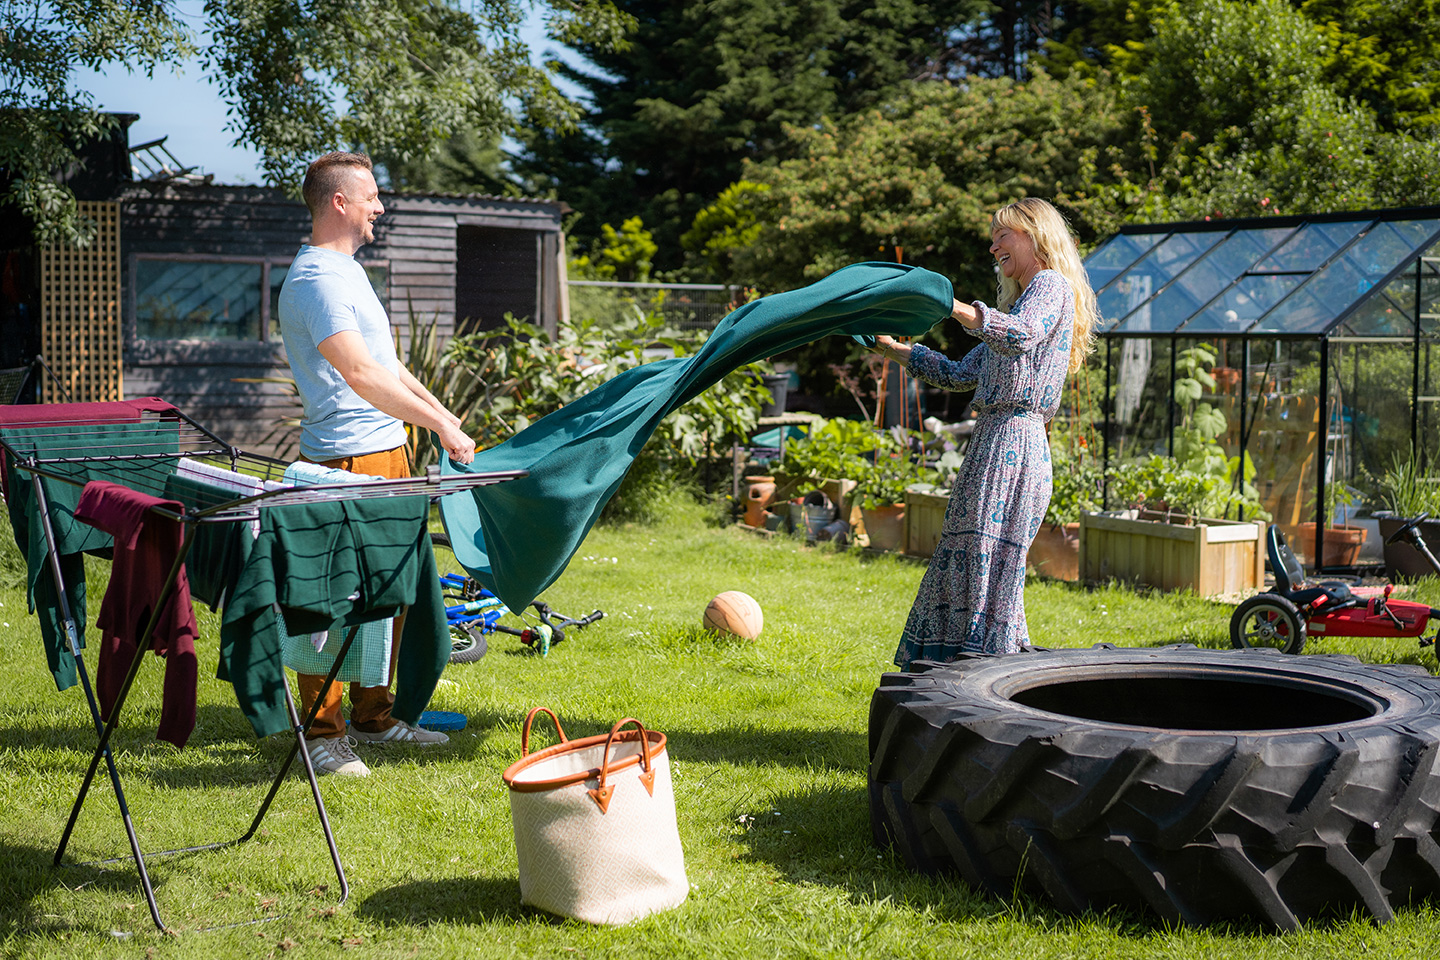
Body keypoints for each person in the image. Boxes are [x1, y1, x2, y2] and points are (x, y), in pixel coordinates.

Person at [276, 151, 477, 776]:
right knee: (333, 599)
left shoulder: (349, 274)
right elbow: (359, 375)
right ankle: (321, 734)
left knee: (386, 596)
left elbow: (389, 365)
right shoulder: (318, 281)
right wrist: (440, 423)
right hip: (347, 458)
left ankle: (373, 715)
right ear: (339, 202)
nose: (380, 207)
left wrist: (443, 417)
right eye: (371, 197)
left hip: (389, 451)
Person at [872, 197, 1097, 666]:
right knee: (975, 558)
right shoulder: (1018, 305)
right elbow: (957, 373)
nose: (993, 246)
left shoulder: (1050, 287)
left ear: (1035, 236)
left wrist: (950, 306)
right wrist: (895, 350)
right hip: (993, 442)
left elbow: (1018, 335)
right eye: (993, 238)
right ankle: (958, 672)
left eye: (1003, 235)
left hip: (1015, 443)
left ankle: (977, 674)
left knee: (987, 563)